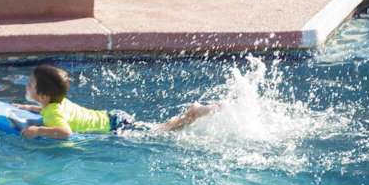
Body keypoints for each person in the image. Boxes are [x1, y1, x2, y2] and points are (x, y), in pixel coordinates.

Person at [12, 64, 216, 139]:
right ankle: (190, 114)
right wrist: (27, 107)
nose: (27, 86)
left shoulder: (52, 113)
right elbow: (50, 112)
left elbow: (65, 132)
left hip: (115, 127)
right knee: (157, 128)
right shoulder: (56, 104)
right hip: (113, 117)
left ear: (44, 96)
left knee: (162, 132)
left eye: (30, 84)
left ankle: (192, 114)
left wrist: (37, 131)